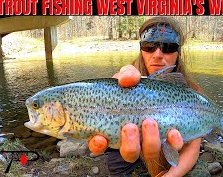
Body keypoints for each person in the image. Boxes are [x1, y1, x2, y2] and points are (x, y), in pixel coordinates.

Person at [88, 17, 210, 177]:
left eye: (168, 47)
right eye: (149, 46)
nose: (158, 54)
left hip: (170, 161)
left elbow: (192, 149)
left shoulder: (193, 94)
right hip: (130, 164)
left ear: (178, 52)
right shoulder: (123, 82)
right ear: (141, 50)